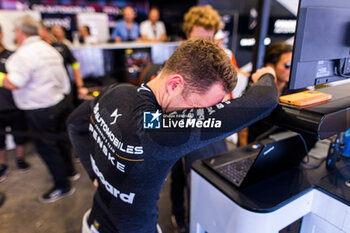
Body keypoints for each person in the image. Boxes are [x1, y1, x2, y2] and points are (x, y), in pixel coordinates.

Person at [66, 38, 279, 233]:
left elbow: (74, 123)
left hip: (95, 221)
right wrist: (267, 73)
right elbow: (264, 101)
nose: (199, 116)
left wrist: (95, 173)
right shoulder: (156, 129)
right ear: (174, 84)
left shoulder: (117, 91)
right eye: (197, 108)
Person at [1, 15, 77, 203]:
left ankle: (62, 185)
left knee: (47, 148)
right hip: (60, 102)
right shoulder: (49, 49)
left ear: (20, 33)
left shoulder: (23, 55)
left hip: (40, 109)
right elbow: (63, 79)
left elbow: (14, 83)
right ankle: (70, 171)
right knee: (61, 141)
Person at [170, 6, 226, 232]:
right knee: (179, 175)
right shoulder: (176, 61)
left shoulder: (223, 58)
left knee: (213, 174)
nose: (204, 46)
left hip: (213, 127)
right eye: (198, 39)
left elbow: (228, 95)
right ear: (188, 36)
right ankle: (179, 216)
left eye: (208, 39)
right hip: (181, 128)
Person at [0, 24, 30, 183]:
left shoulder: (13, 56)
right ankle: (2, 164)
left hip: (14, 105)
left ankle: (19, 158)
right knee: (0, 140)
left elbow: (16, 82)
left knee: (19, 135)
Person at [39, 22, 88, 101]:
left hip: (64, 88)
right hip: (44, 92)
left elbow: (74, 64)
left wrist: (80, 86)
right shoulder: (35, 50)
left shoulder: (61, 46)